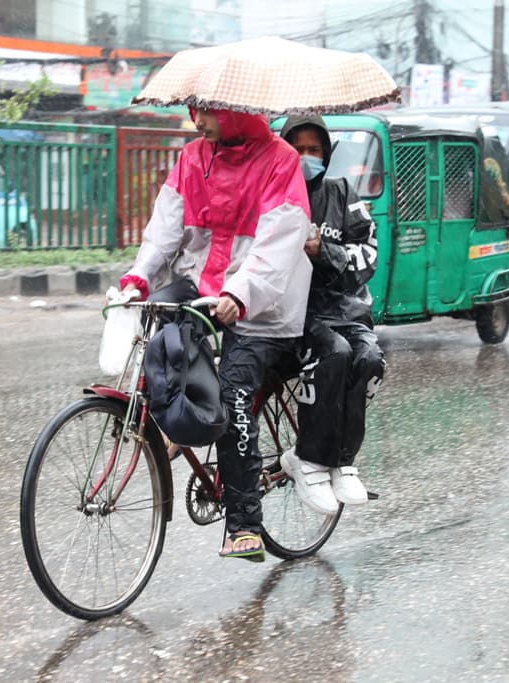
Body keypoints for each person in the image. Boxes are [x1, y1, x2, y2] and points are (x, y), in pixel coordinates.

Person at [118, 107, 312, 562]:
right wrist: (139, 276)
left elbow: (278, 244)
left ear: (232, 111)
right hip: (204, 281)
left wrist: (241, 293)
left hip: (264, 305)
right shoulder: (191, 158)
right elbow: (164, 230)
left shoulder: (281, 161)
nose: (197, 121)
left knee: (234, 393)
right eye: (195, 111)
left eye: (205, 112)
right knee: (158, 324)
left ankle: (245, 523)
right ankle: (174, 424)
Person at [279, 115, 386, 515]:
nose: (306, 157)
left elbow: (369, 254)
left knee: (369, 359)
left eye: (314, 149)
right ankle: (307, 457)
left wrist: (326, 251)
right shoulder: (275, 197)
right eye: (297, 148)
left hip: (348, 310)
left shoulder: (343, 195)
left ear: (327, 153)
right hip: (299, 314)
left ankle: (343, 460)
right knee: (335, 353)